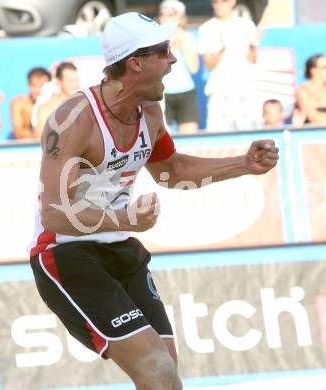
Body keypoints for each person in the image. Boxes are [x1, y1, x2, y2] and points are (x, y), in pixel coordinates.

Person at [29, 12, 278, 389]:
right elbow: (54, 215)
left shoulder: (149, 112)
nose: (174, 60)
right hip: (65, 253)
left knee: (167, 375)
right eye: (165, 51)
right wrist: (126, 219)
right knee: (157, 370)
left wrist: (244, 164)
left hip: (120, 247)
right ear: (136, 61)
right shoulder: (73, 120)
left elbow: (172, 173)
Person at [197, 0, 261, 131]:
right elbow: (209, 65)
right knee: (217, 138)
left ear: (232, 2)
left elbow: (253, 60)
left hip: (245, 90)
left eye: (223, 1)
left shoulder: (246, 25)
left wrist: (252, 45)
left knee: (250, 135)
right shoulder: (206, 29)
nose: (219, 4)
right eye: (215, 1)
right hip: (219, 93)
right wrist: (222, 48)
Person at [158, 0, 200, 134]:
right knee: (163, 141)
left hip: (185, 92)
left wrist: (183, 44)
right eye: (162, 14)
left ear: (180, 17)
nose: (165, 18)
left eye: (170, 15)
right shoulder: (155, 39)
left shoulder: (187, 37)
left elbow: (194, 68)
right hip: (162, 93)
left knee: (190, 139)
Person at [35, 62, 80, 137]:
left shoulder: (86, 105)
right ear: (59, 81)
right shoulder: (46, 109)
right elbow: (40, 137)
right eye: (70, 81)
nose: (75, 84)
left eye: (76, 80)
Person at [11, 67, 51, 139]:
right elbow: (17, 133)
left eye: (42, 86)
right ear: (28, 85)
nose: (39, 90)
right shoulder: (19, 103)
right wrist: (39, 134)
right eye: (34, 85)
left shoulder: (56, 104)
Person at [295, 54, 326, 124]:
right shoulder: (303, 91)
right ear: (313, 71)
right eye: (325, 67)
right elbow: (313, 117)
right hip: (315, 133)